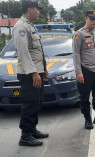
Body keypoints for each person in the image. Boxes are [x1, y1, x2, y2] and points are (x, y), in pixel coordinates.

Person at [13, 0, 49, 146]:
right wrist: (34, 72)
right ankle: (25, 136)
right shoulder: (20, 27)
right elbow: (23, 52)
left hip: (37, 71)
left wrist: (43, 70)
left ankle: (32, 129)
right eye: (36, 9)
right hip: (28, 74)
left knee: (37, 102)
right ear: (29, 9)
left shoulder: (30, 26)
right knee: (30, 103)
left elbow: (37, 52)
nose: (38, 12)